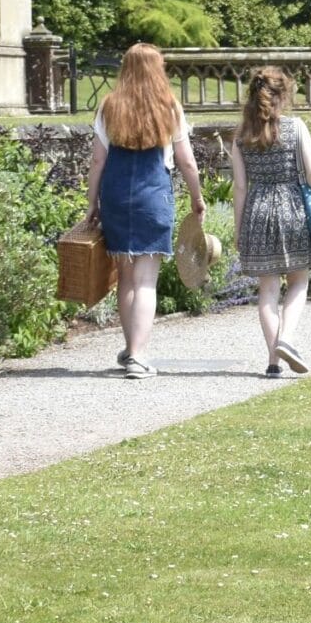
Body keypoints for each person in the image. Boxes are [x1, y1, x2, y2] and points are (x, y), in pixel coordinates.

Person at [87, 43, 204, 378]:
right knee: (146, 280)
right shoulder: (169, 107)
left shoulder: (109, 106)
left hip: (116, 196)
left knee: (125, 276)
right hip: (153, 196)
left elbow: (98, 161)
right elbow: (187, 162)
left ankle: (130, 349)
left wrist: (91, 203)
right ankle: (138, 355)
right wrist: (197, 199)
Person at [228, 64, 311, 378]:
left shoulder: (241, 136)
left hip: (256, 211)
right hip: (292, 208)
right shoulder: (296, 127)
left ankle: (273, 362)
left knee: (267, 289)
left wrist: (239, 229)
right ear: (282, 95)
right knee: (299, 281)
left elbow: (240, 187)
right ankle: (287, 339)